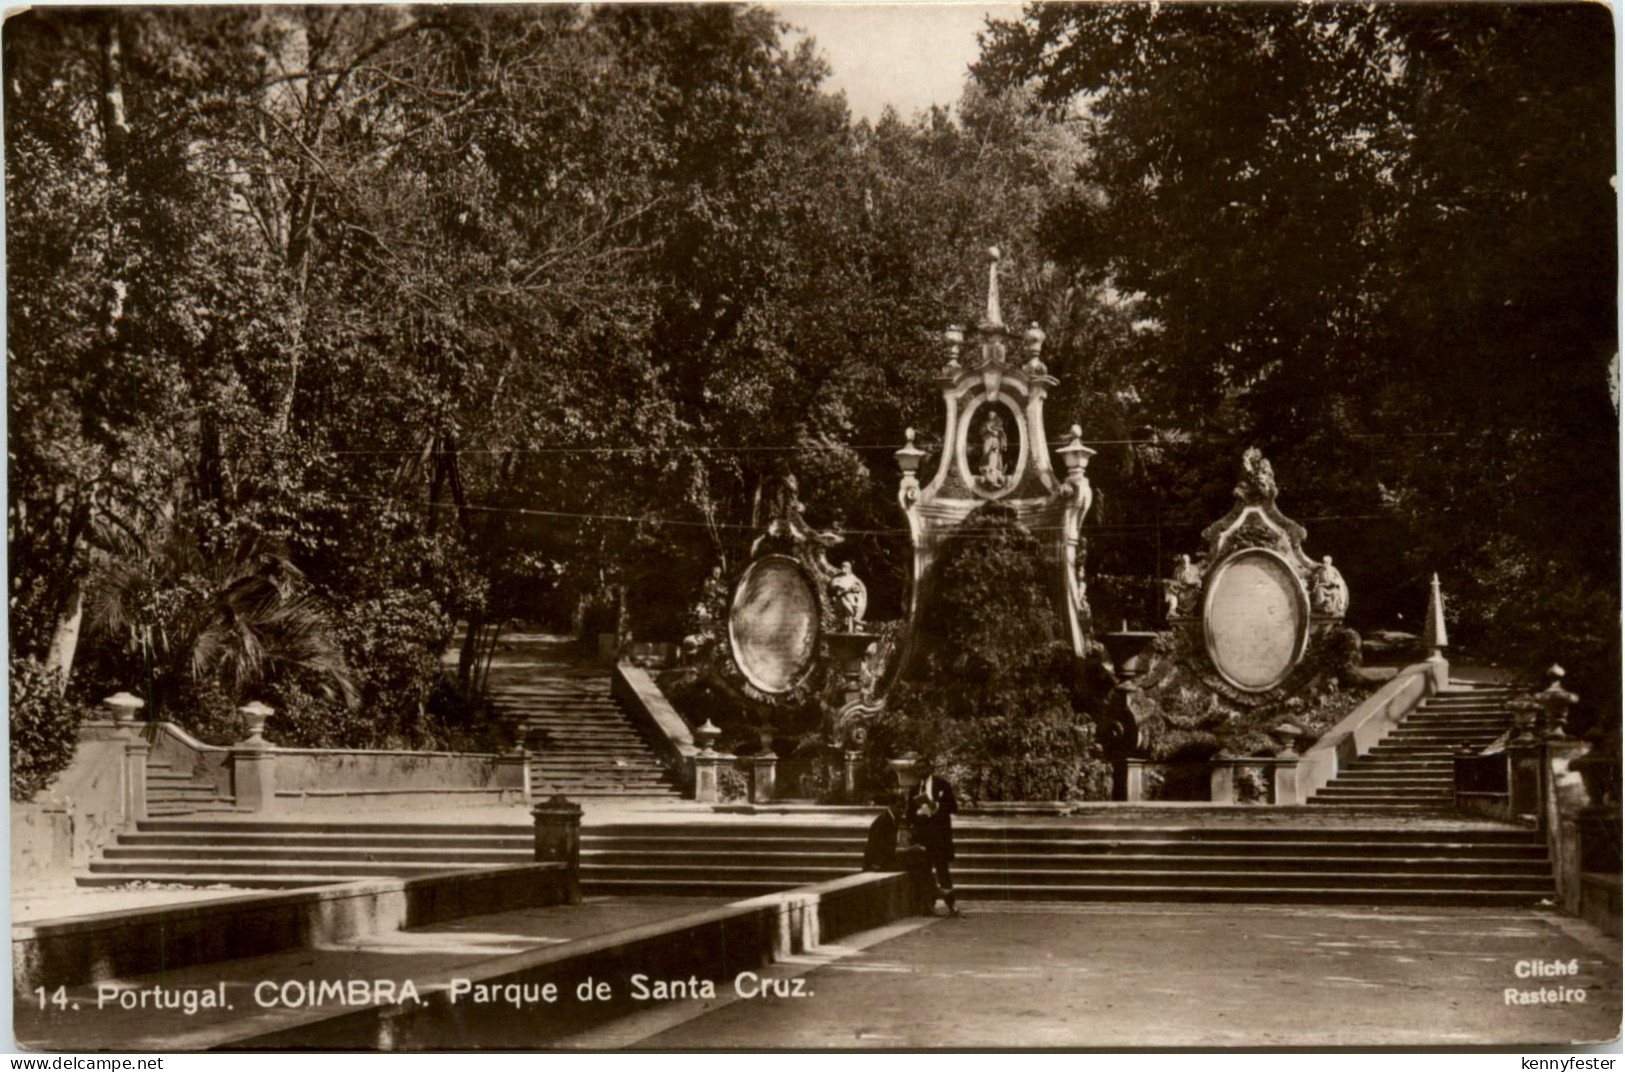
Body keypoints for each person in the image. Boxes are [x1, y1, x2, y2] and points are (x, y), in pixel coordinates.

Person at [908, 759, 960, 916]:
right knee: (925, 871)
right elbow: (909, 814)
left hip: (939, 836)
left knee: (942, 870)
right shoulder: (914, 789)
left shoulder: (942, 785)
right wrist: (918, 814)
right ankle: (928, 904)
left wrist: (936, 807)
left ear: (930, 768)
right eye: (917, 769)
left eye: (923, 768)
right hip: (923, 837)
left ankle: (951, 904)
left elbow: (953, 807)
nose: (921, 771)